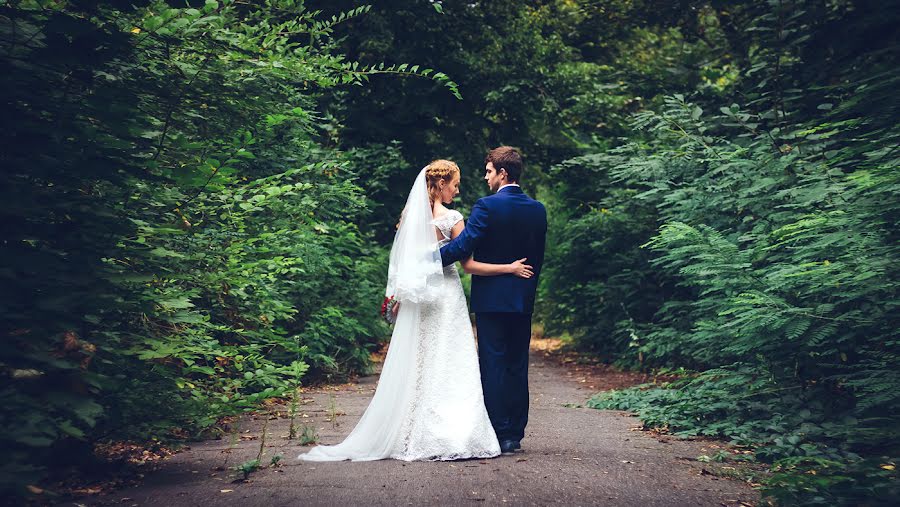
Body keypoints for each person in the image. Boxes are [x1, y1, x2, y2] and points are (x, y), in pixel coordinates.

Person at [297, 160, 532, 462]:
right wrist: (509, 268)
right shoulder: (454, 218)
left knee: (420, 361)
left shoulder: (410, 218)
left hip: (419, 299)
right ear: (442, 184)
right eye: (455, 185)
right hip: (445, 295)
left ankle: (410, 430)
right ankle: (452, 432)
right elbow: (468, 265)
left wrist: (397, 292)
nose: (457, 191)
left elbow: (401, 263)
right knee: (449, 358)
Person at [439, 146, 547, 455]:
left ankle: (500, 433)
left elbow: (463, 246)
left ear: (503, 173)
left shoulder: (487, 207)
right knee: (517, 364)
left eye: (488, 171)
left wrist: (427, 259)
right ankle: (515, 432)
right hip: (523, 299)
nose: (485, 177)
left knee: (494, 363)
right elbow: (538, 259)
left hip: (491, 300)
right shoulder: (537, 209)